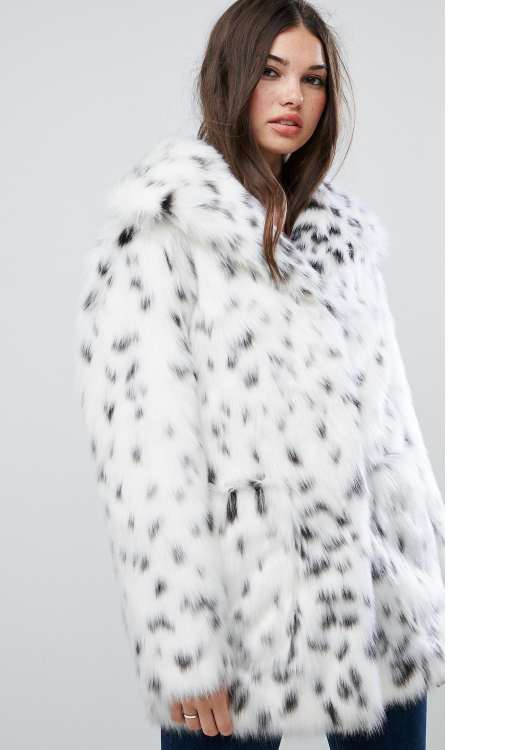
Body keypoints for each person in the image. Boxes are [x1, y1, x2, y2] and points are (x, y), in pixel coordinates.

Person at [74, 1, 445, 747]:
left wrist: (427, 589)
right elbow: (147, 468)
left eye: (313, 79)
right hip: (244, 619)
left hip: (374, 607)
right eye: (270, 72)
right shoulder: (160, 239)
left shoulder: (342, 245)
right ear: (228, 79)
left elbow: (395, 436)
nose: (292, 97)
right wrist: (186, 650)